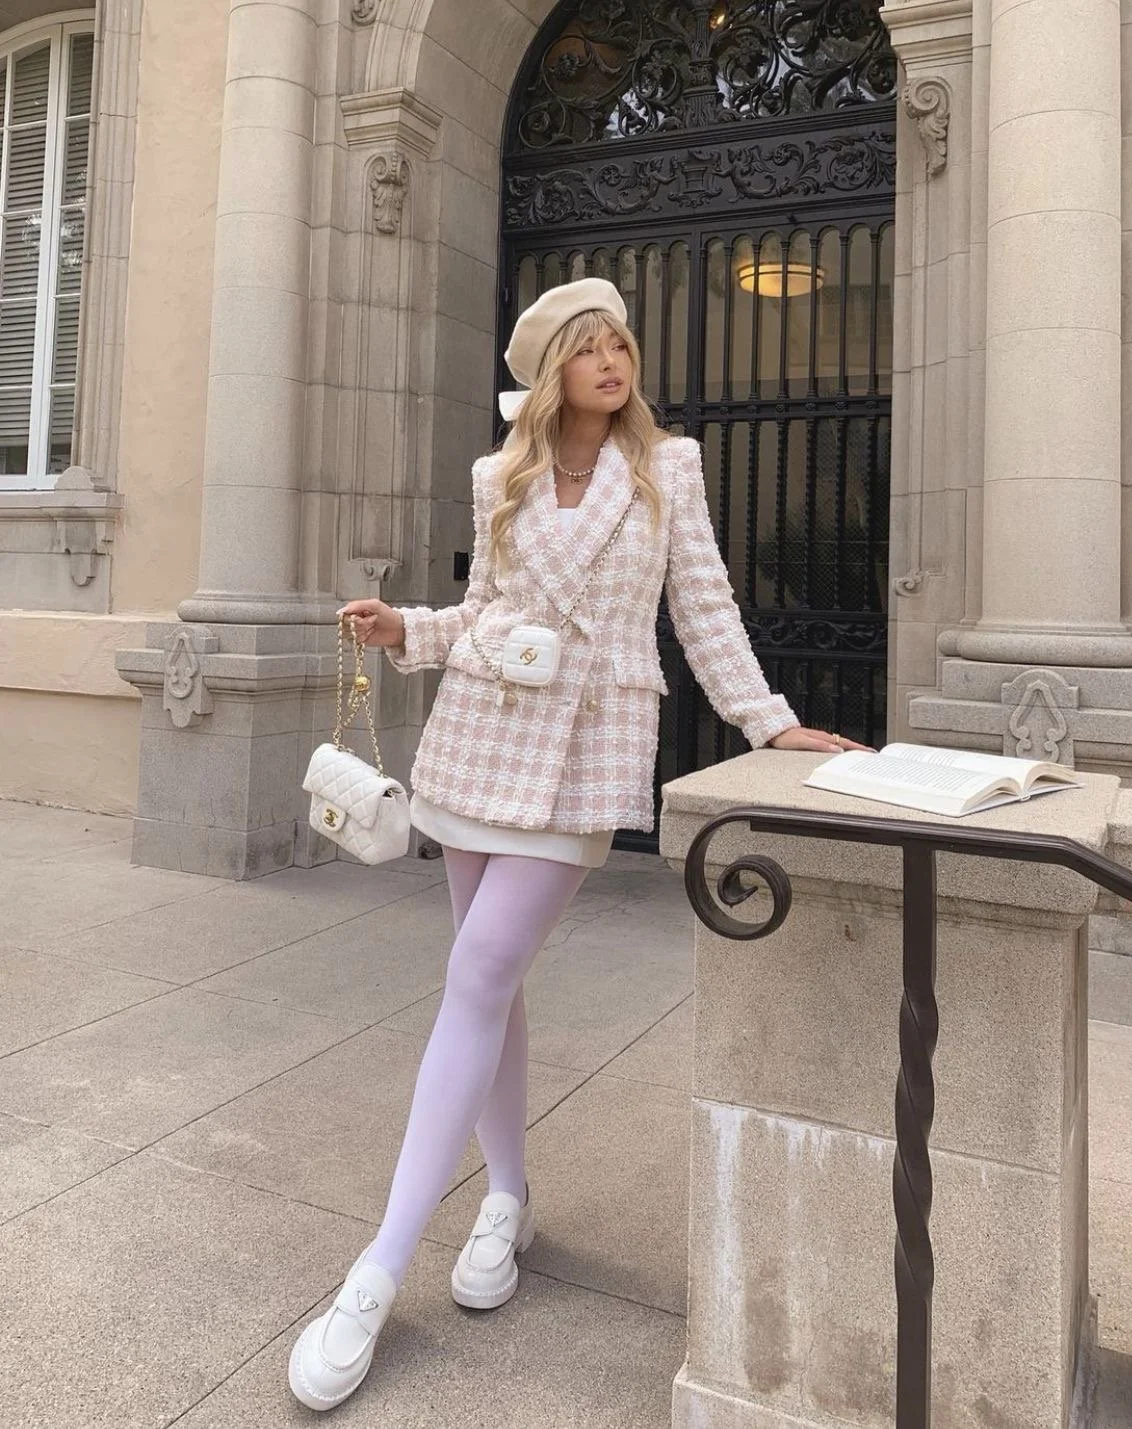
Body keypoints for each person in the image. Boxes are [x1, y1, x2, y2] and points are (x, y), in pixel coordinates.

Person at [288, 277, 867, 1411]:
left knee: (480, 972)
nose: (614, 360)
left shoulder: (669, 471)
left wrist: (769, 719)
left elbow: (705, 606)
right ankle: (505, 1198)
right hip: (476, 739)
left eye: (622, 343)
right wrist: (408, 626)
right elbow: (485, 608)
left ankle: (378, 1267)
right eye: (589, 347)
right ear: (550, 369)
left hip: (583, 752)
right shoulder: (495, 475)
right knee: (485, 982)